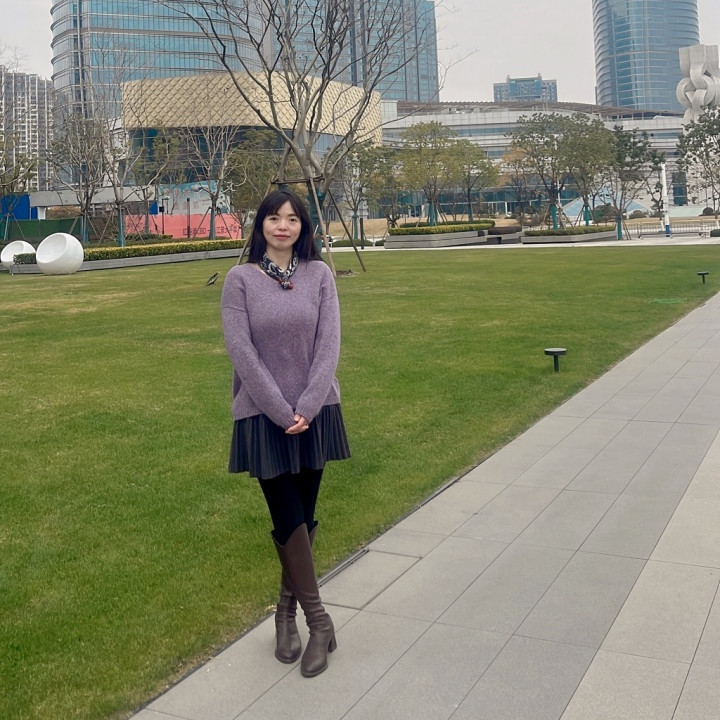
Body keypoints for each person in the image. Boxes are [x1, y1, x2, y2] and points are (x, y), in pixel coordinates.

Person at [221, 189, 350, 678]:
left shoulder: (319, 275)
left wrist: (309, 405)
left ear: (303, 227)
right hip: (262, 415)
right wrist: (280, 411)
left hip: (317, 412)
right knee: (286, 517)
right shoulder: (239, 280)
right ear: (260, 225)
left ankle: (285, 614)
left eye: (292, 219)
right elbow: (241, 351)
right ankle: (319, 622)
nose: (282, 226)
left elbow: (329, 343)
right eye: (273, 218)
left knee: (304, 518)